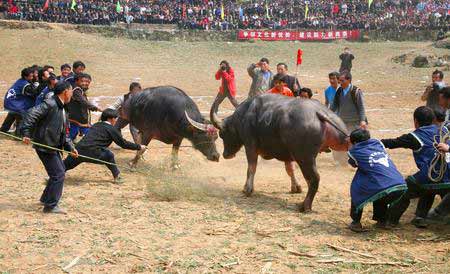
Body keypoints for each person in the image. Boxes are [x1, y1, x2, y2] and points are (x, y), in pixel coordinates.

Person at [381, 106, 450, 228]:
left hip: (431, 177)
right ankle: (420, 217)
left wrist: (371, 143)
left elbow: (392, 142)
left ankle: (391, 221)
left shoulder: (415, 137)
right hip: (448, 178)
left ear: (416, 121)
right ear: (433, 120)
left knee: (404, 190)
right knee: (427, 185)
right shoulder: (444, 131)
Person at [21, 81, 78, 214]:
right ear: (65, 92)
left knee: (59, 171)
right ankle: (50, 206)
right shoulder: (50, 103)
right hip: (45, 145)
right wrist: (26, 133)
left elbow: (64, 132)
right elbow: (31, 114)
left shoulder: (62, 107)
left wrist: (70, 147)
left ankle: (46, 198)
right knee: (58, 174)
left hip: (53, 146)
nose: (72, 94)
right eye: (71, 91)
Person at [347, 129, 407, 232]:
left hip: (385, 187)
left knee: (357, 188)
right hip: (400, 185)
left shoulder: (355, 151)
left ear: (355, 143)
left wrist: (351, 147)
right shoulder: (378, 144)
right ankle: (382, 220)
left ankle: (356, 222)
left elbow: (353, 163)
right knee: (379, 188)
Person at [64, 109, 146, 183]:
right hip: (92, 152)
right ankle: (117, 177)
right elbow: (123, 144)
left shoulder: (96, 125)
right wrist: (139, 147)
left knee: (63, 166)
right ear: (111, 119)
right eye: (115, 118)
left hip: (78, 150)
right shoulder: (112, 129)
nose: (116, 120)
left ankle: (54, 173)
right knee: (109, 155)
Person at [330, 72, 367, 165]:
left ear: (349, 80)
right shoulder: (339, 91)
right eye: (339, 81)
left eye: (342, 81)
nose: (340, 82)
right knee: (339, 141)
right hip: (342, 122)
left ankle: (356, 162)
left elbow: (361, 107)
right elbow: (333, 106)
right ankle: (340, 161)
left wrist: (362, 120)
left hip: (355, 123)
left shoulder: (356, 91)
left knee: (355, 143)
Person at [1, 67, 39, 135]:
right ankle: (19, 134)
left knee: (12, 114)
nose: (32, 77)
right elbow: (34, 94)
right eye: (31, 76)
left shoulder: (20, 80)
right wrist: (36, 83)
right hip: (14, 104)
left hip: (9, 102)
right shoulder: (25, 85)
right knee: (22, 116)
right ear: (25, 76)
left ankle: (3, 129)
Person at [67, 73, 101, 140]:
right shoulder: (76, 90)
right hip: (76, 119)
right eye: (82, 81)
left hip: (78, 119)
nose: (85, 83)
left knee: (74, 134)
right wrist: (96, 108)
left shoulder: (79, 89)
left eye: (87, 82)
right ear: (77, 81)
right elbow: (84, 102)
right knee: (73, 134)